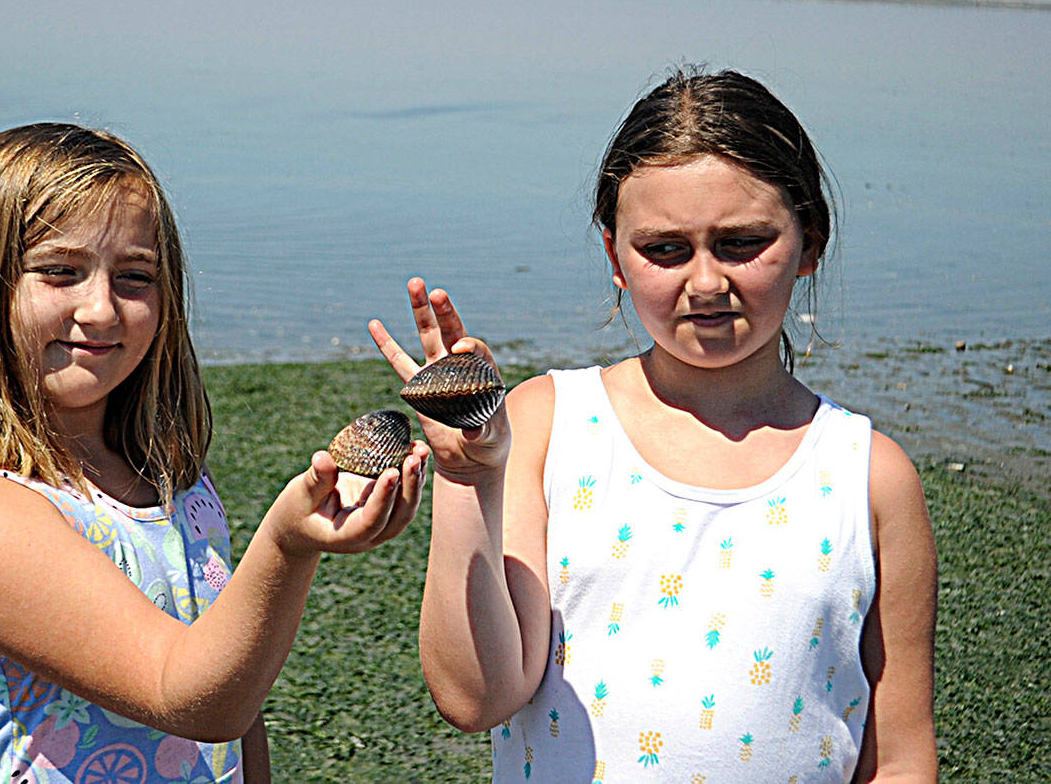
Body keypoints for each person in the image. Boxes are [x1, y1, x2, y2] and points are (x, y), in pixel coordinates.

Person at [370, 68, 937, 781]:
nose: (705, 282)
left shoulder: (870, 477)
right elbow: (475, 692)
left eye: (742, 242)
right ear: (614, 256)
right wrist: (466, 474)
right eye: (664, 249)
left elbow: (902, 754)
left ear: (810, 243)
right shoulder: (547, 427)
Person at [0, 122, 428, 783]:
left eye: (135, 276)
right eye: (61, 272)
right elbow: (192, 697)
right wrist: (287, 546)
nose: (102, 310)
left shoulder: (169, 479)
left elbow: (239, 707)